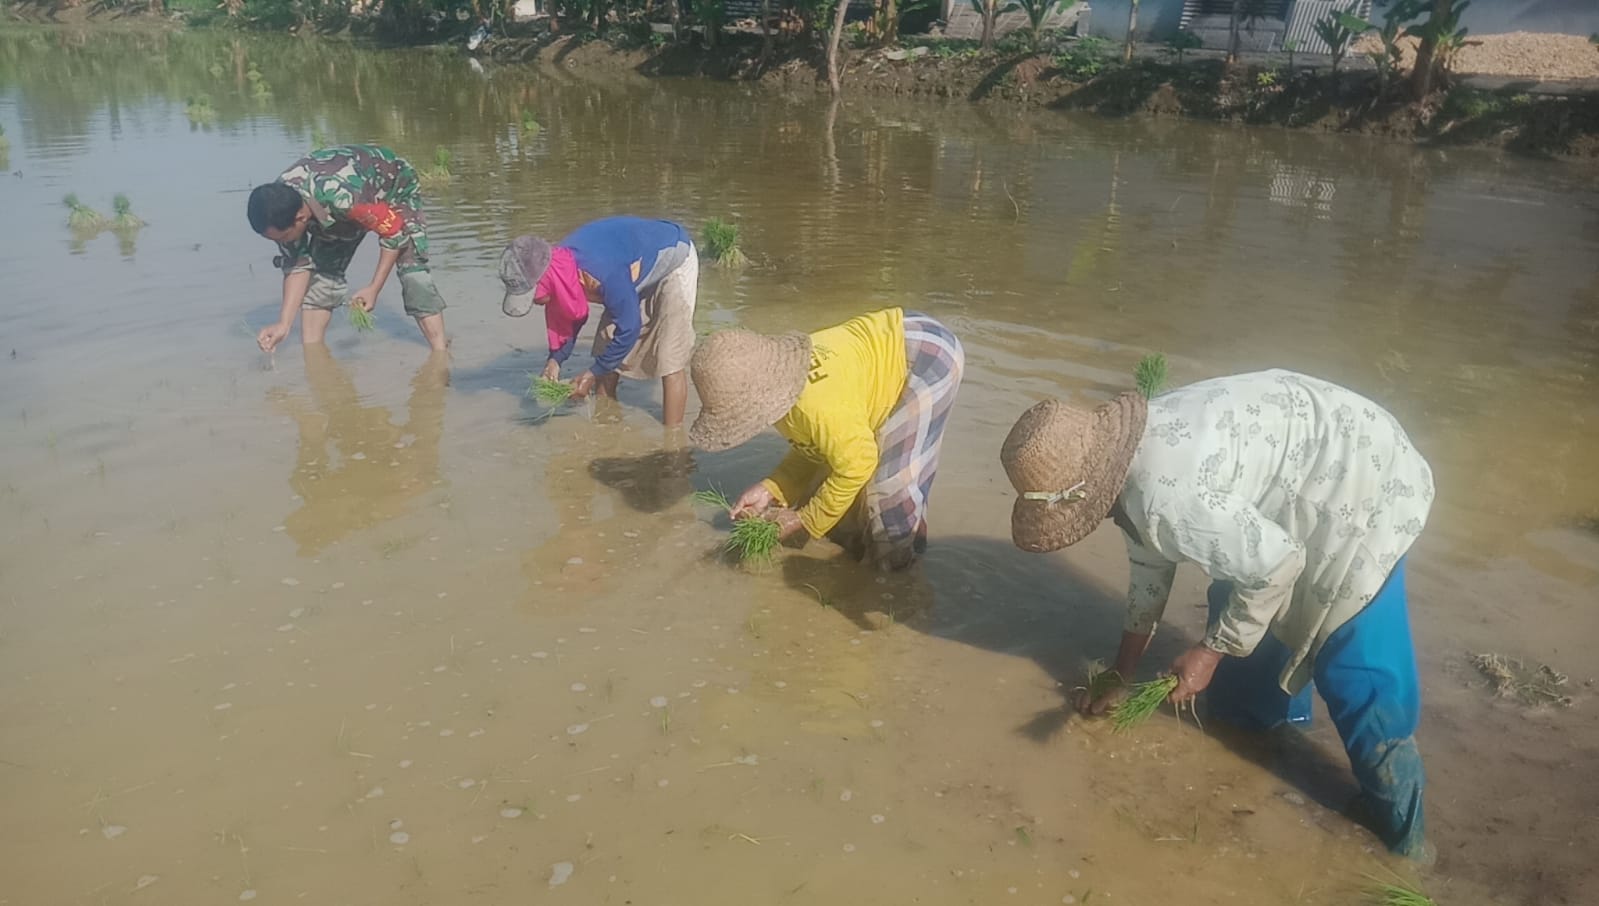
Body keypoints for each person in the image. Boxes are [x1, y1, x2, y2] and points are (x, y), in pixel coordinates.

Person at [999, 369, 1435, 860]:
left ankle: (1404, 839)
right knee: (1238, 699)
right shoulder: (1124, 467)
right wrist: (1121, 672)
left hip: (1360, 479)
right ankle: (1275, 732)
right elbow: (1151, 562)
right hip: (1285, 487)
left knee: (1353, 666)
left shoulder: (1168, 497)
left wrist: (1209, 652)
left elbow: (1277, 563)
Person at [689, 308, 964, 571]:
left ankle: (898, 572)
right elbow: (815, 449)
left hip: (928, 358)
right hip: (899, 337)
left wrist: (805, 521)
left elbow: (858, 465)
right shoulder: (788, 390)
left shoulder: (815, 406)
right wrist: (772, 488)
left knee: (890, 485)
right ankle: (864, 553)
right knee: (841, 466)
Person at [498, 216, 699, 428]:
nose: (536, 303)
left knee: (669, 357)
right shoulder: (560, 269)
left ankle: (673, 444)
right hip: (629, 269)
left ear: (545, 282)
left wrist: (591, 374)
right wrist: (555, 360)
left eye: (533, 295)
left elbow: (630, 328)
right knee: (605, 346)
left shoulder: (599, 271)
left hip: (673, 258)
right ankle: (607, 427)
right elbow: (570, 315)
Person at [247, 144, 447, 353]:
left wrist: (374, 288)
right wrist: (284, 324)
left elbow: (394, 234)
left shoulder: (344, 199)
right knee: (322, 278)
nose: (281, 242)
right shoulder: (276, 208)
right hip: (332, 210)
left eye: (283, 237)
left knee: (412, 270)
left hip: (393, 188)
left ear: (300, 219)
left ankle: (440, 354)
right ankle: (315, 359)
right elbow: (297, 266)